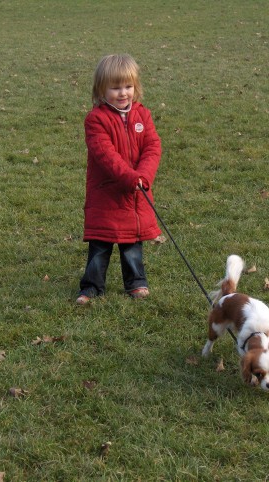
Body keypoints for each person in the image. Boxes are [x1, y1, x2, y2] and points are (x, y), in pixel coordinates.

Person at [76, 54, 162, 305]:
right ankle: (91, 286)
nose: (123, 93)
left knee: (132, 243)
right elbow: (105, 155)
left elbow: (152, 146)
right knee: (100, 245)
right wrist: (129, 177)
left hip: (136, 192)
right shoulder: (96, 120)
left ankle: (136, 282)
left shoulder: (142, 115)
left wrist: (143, 176)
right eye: (115, 87)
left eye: (128, 86)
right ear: (101, 90)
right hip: (107, 193)